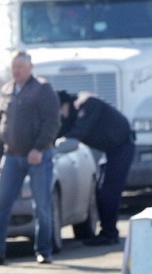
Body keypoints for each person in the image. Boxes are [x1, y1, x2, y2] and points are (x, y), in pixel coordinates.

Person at [0, 50, 61, 265]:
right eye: (13, 67)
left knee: (41, 205)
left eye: (20, 66)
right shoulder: (6, 91)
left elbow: (52, 122)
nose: (16, 70)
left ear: (30, 68)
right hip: (12, 156)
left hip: (38, 157)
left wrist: (39, 148)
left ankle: (44, 250)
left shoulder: (42, 89)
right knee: (0, 205)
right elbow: (2, 124)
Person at [57, 90, 135, 246]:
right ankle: (107, 231)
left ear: (65, 105)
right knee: (101, 191)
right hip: (110, 150)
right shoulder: (73, 114)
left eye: (58, 110)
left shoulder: (88, 105)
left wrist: (63, 142)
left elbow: (79, 131)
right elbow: (61, 131)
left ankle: (109, 234)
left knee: (108, 192)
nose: (59, 115)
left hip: (121, 147)